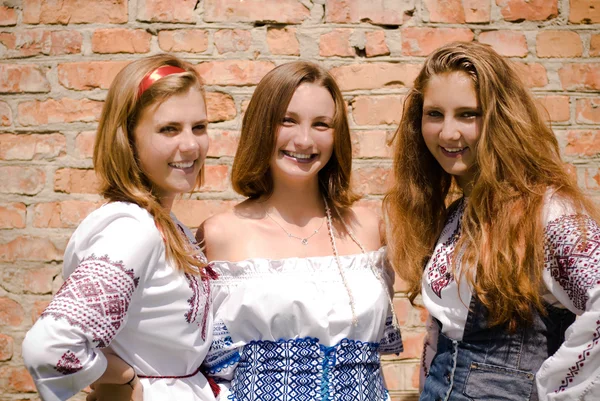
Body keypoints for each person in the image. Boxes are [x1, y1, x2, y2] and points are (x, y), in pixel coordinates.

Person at [385, 41, 600, 400]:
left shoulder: (547, 212)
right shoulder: (456, 215)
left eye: (468, 114)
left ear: (500, 117)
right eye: (434, 114)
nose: (448, 133)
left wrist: (557, 392)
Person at [198, 61, 403, 400]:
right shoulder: (220, 234)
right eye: (287, 120)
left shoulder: (367, 228)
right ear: (262, 126)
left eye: (321, 124)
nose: (304, 140)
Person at [22, 54, 218, 401]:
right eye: (168, 129)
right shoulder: (132, 230)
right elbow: (50, 348)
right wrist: (123, 379)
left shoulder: (164, 225)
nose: (190, 144)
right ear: (128, 138)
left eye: (199, 127)